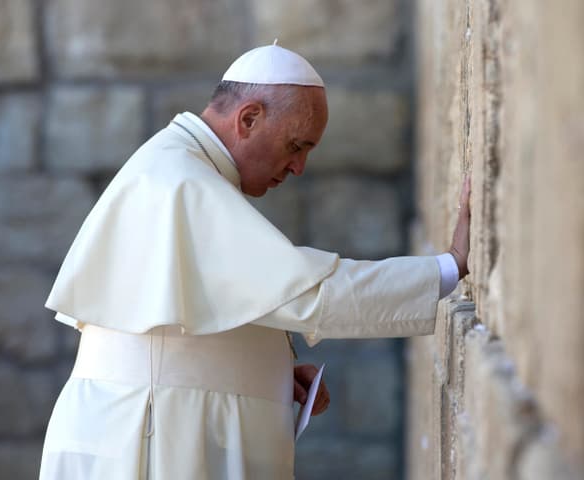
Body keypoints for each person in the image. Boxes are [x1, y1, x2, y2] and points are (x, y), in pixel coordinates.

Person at [39, 44, 471, 480]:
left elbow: (189, 325)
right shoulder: (182, 182)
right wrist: (448, 267)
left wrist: (266, 369)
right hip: (148, 437)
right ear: (248, 119)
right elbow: (310, 293)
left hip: (153, 422)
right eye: (296, 145)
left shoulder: (180, 167)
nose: (299, 166)